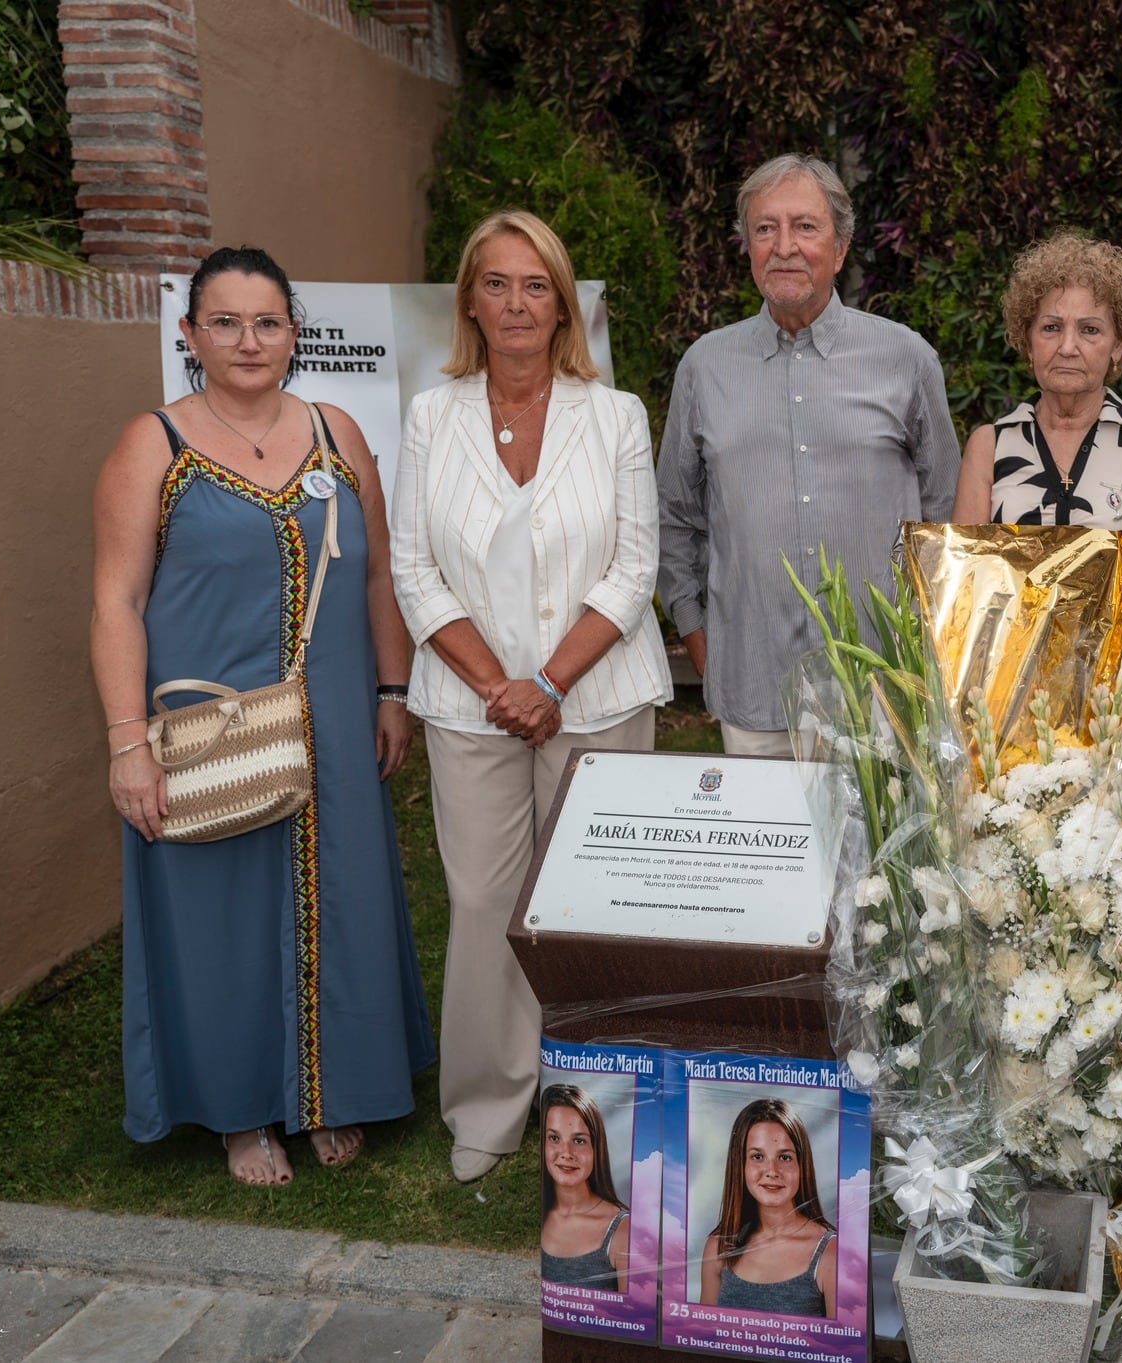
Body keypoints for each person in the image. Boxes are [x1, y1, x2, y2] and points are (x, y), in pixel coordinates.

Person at [92, 245, 435, 1188]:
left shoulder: (337, 431)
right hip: (212, 730)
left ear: (295, 333)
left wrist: (392, 693)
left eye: (269, 321)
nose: (249, 340)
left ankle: (335, 1091)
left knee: (344, 898)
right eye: (227, 322)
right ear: (190, 334)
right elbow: (115, 601)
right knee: (223, 914)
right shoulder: (150, 444)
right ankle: (245, 1114)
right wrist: (129, 746)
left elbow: (376, 574)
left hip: (329, 718)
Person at [392, 211, 672, 1184]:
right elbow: (414, 569)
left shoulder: (617, 414)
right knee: (481, 901)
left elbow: (634, 566)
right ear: (469, 298)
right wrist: (498, 686)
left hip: (595, 695)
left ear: (563, 305)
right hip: (470, 703)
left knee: (592, 906)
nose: (516, 302)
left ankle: (596, 1102)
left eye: (536, 284)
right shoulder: (432, 415)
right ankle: (489, 1104)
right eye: (497, 283)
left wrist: (550, 681)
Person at [657, 154, 960, 757]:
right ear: (747, 247)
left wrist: (925, 652)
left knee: (880, 854)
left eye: (805, 227)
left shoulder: (907, 360)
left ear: (841, 249)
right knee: (758, 855)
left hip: (878, 692)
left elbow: (945, 515)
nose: (784, 246)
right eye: (765, 228)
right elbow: (675, 518)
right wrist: (698, 637)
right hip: (751, 687)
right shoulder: (705, 367)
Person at [951, 232, 1122, 557]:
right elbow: (968, 581)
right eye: (1051, 328)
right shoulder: (989, 445)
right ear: (1028, 341)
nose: (1067, 348)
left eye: (1089, 330)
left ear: (1117, 346)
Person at [700, 1098, 836, 1317]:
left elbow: (841, 1347)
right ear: (739, 1165)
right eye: (757, 1157)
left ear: (802, 1165)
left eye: (784, 1157)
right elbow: (703, 1337)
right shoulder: (718, 1247)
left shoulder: (831, 1253)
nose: (772, 1170)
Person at [539, 1084, 630, 1292]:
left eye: (579, 1140)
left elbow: (634, 1318)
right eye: (554, 1138)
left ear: (596, 1149)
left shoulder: (622, 1231)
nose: (566, 1152)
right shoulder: (541, 1213)